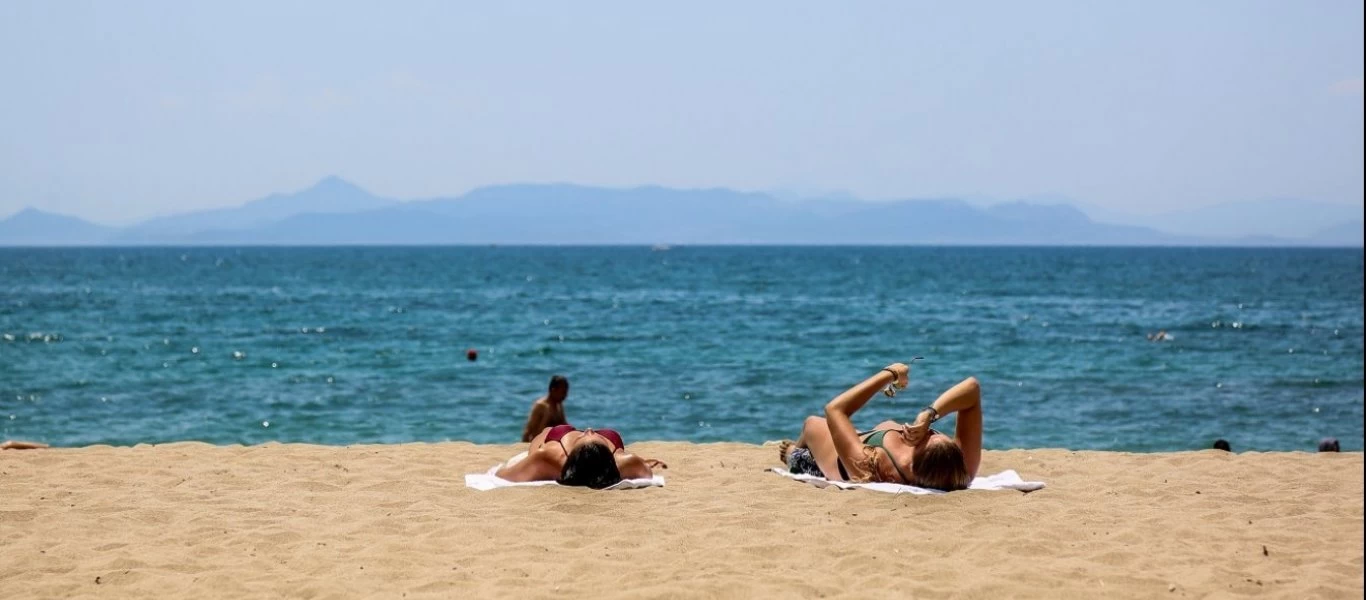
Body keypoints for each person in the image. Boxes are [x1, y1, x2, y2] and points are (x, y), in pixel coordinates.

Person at [778, 364, 982, 491]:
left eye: (926, 437)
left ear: (914, 463)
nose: (927, 431)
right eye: (935, 431)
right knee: (861, 431)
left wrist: (889, 374)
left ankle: (795, 456)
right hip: (866, 438)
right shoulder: (959, 469)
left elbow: (834, 410)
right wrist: (930, 414)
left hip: (840, 461)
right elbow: (972, 388)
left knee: (812, 424)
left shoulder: (873, 466)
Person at [496, 424, 664, 489]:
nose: (589, 428)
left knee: (546, 431)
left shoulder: (548, 457)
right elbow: (647, 473)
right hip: (604, 445)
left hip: (558, 437)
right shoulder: (625, 462)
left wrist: (534, 455)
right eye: (590, 433)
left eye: (587, 434)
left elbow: (502, 475)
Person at [521, 375, 571, 442]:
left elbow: (565, 425)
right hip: (539, 445)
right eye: (563, 392)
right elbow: (528, 431)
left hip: (554, 444)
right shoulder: (541, 406)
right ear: (553, 390)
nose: (565, 396)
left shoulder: (559, 406)